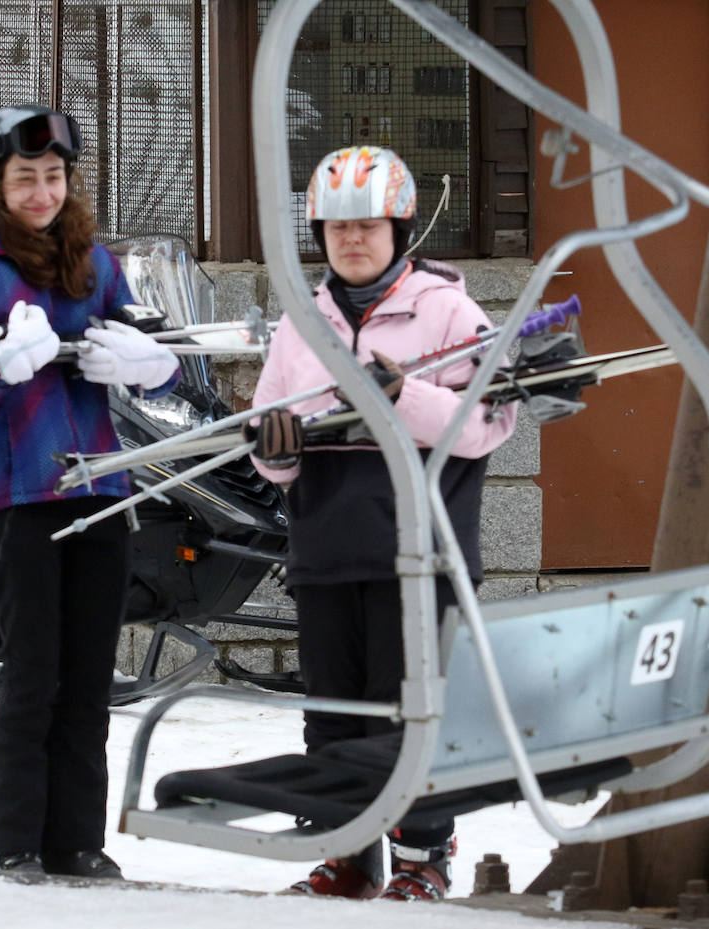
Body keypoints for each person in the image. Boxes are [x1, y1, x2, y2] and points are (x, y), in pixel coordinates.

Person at [0, 103, 180, 880]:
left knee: (91, 671)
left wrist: (147, 362)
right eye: (25, 176)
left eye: (54, 176)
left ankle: (76, 839)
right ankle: (13, 840)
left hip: (99, 486)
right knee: (35, 670)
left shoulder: (93, 262)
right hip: (13, 496)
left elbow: (149, 338)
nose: (41, 191)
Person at [249, 146, 518, 901]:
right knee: (335, 707)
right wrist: (273, 454)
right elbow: (272, 438)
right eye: (336, 227)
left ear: (399, 226)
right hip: (327, 546)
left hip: (419, 548)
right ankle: (344, 849)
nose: (352, 239)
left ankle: (422, 857)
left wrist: (403, 396)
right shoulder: (302, 320)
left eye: (367, 224)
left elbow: (493, 419)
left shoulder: (448, 309)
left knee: (411, 709)